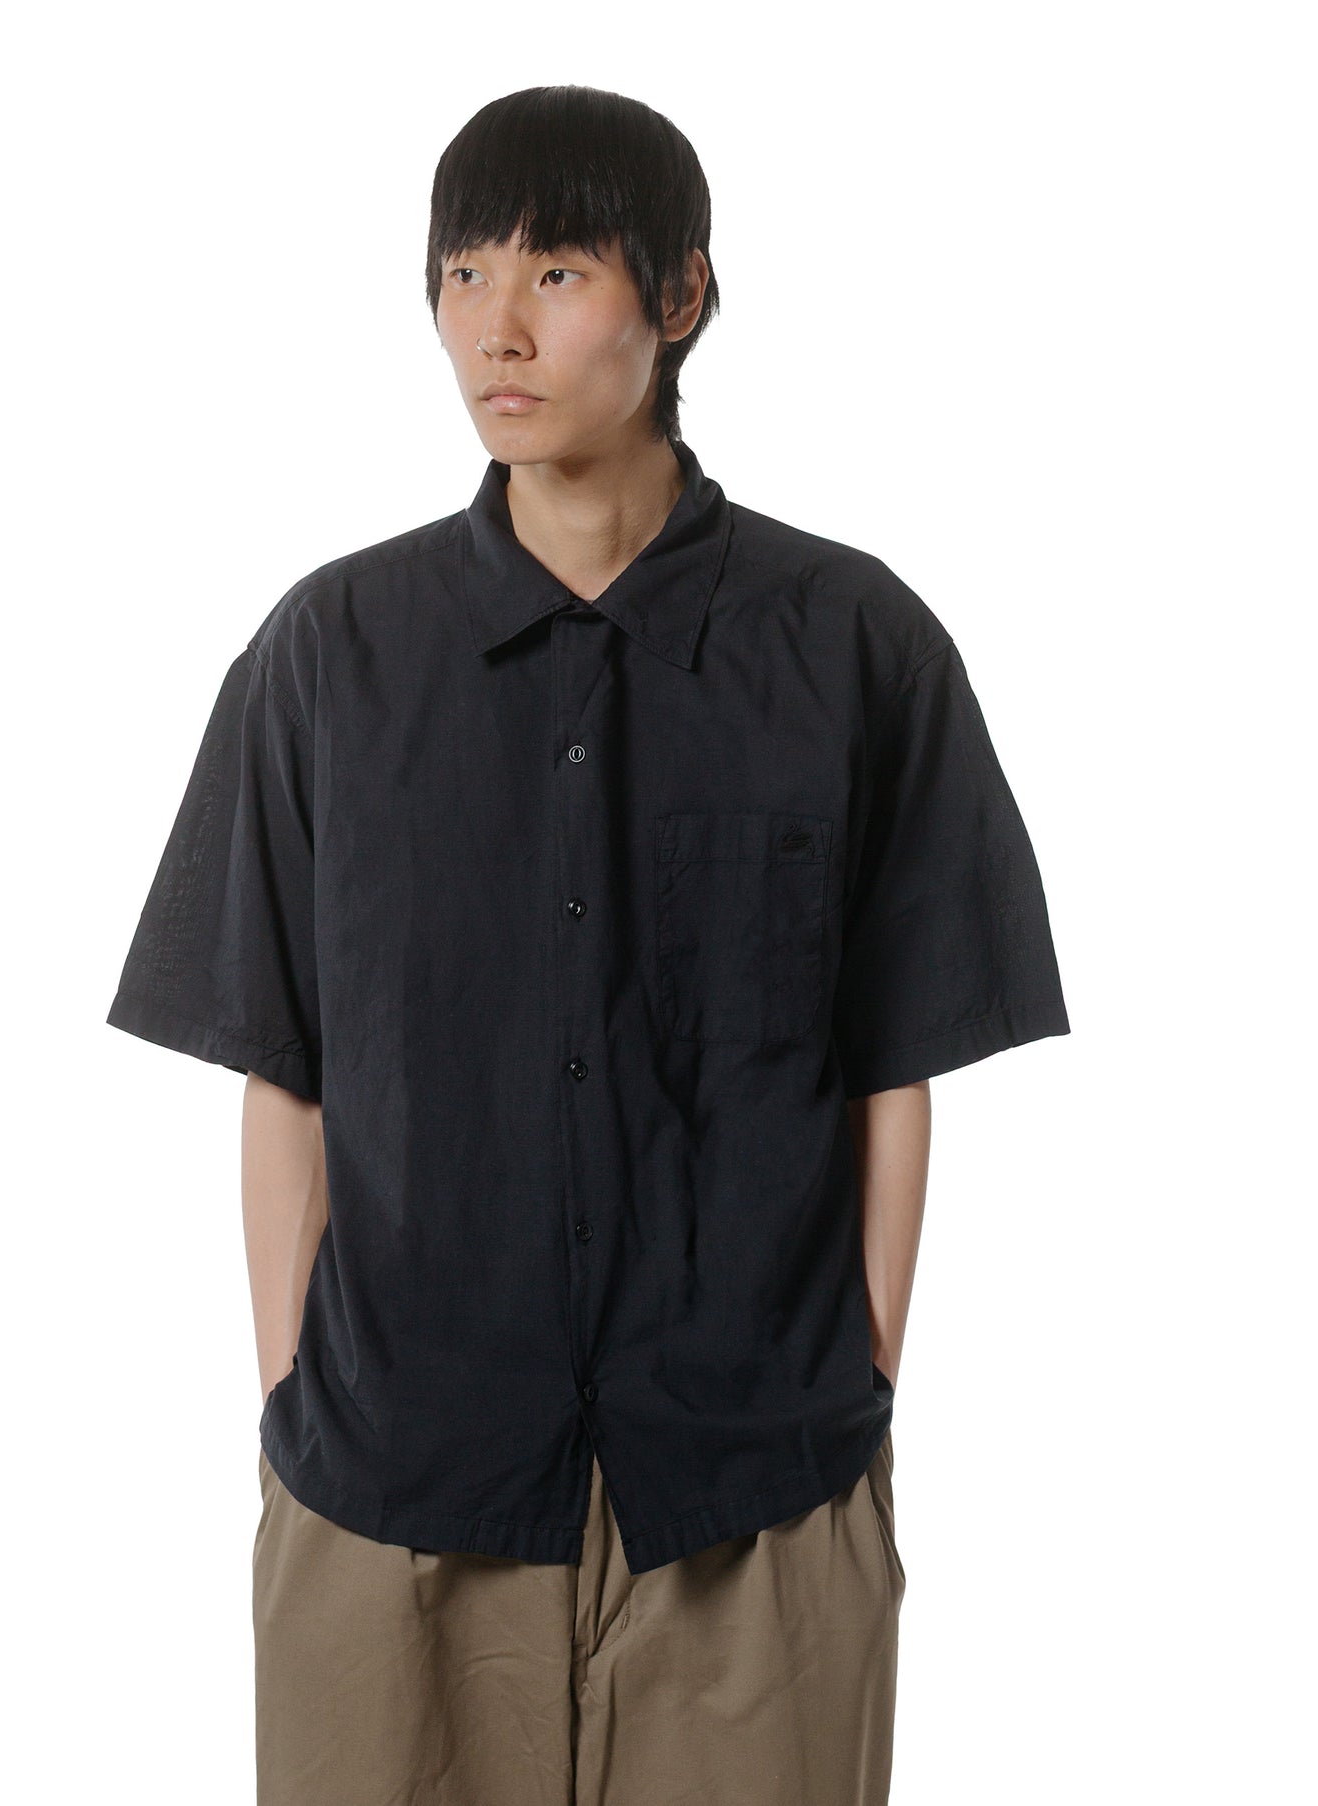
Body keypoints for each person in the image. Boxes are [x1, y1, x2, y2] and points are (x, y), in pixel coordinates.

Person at [107, 84, 1069, 1806]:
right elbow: (282, 1068)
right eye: (461, 274)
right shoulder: (332, 657)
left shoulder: (852, 645)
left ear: (679, 295)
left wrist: (855, 1383)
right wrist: (292, 1400)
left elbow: (893, 1065)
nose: (496, 326)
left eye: (554, 272)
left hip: (755, 1496)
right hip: (391, 1493)